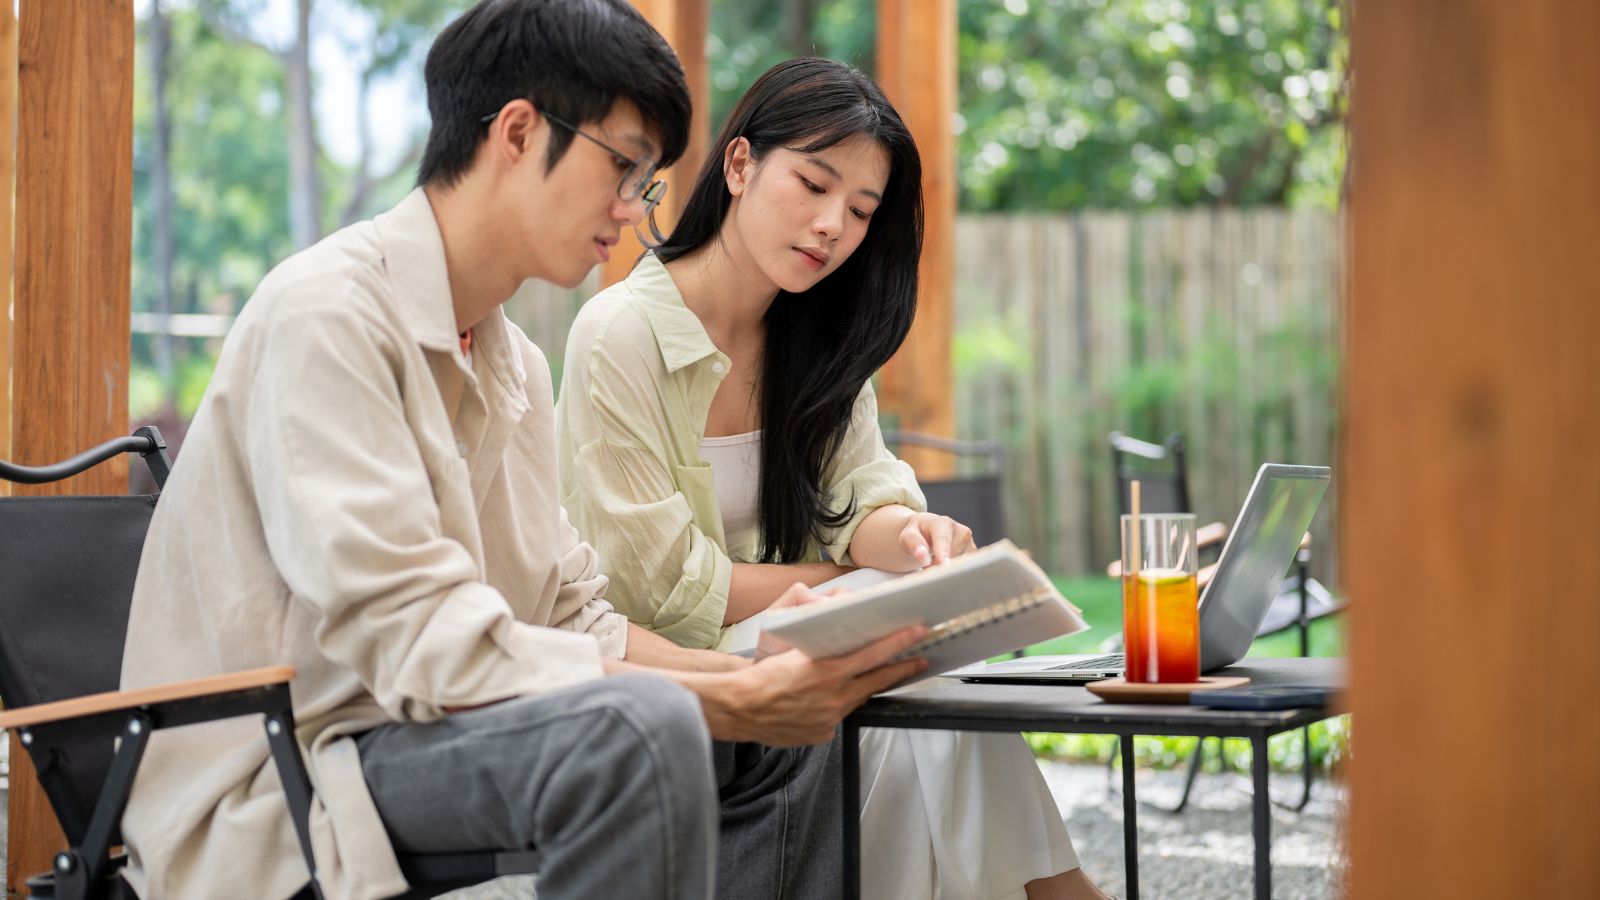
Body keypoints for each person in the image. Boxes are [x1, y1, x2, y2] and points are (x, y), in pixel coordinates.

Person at [116, 4, 926, 900]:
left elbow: (568, 610)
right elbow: (424, 644)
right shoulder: (329, 317)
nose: (633, 206)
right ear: (517, 130)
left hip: (427, 743)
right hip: (287, 771)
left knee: (806, 723)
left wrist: (755, 675)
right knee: (646, 728)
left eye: (646, 179)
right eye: (623, 165)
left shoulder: (511, 365)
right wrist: (726, 699)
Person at [556, 58, 1110, 900]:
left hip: (804, 645)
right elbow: (661, 588)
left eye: (859, 211)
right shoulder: (620, 334)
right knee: (915, 686)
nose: (830, 228)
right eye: (813, 185)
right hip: (674, 675)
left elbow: (865, 495)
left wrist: (910, 541)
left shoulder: (816, 337)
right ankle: (1065, 892)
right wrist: (854, 583)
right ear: (739, 166)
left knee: (928, 720)